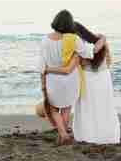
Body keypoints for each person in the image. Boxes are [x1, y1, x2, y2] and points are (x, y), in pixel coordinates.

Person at [45, 21, 121, 144]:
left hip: (87, 79)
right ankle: (108, 136)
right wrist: (103, 39)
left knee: (87, 107)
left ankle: (88, 136)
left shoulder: (77, 47)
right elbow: (108, 60)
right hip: (103, 77)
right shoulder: (100, 39)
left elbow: (70, 67)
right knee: (104, 106)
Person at [38, 10, 105, 145]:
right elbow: (90, 52)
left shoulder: (44, 40)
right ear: (69, 24)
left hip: (52, 80)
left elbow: (42, 65)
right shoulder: (74, 40)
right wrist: (102, 40)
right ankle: (64, 134)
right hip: (70, 80)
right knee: (66, 108)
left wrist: (43, 83)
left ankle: (62, 134)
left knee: (53, 109)